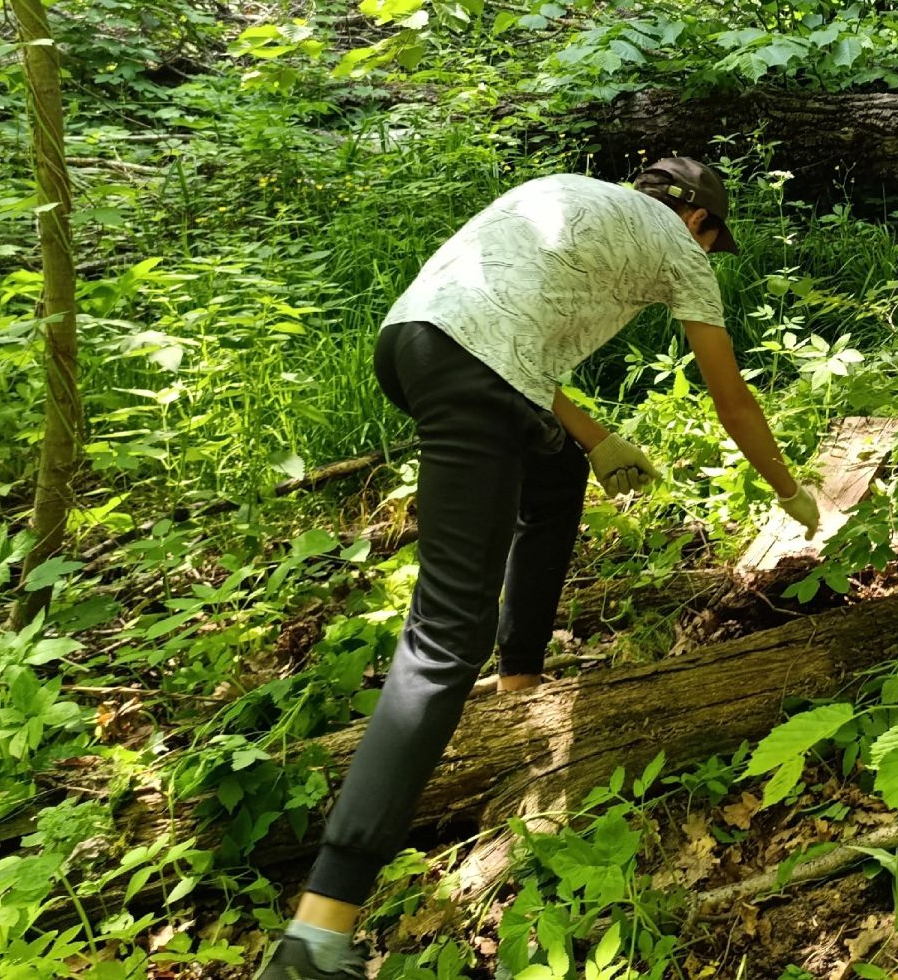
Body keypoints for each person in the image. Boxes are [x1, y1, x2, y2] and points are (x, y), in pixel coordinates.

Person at [257, 158, 817, 980]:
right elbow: (728, 396)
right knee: (446, 636)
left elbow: (500, 337)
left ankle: (520, 684)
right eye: (712, 234)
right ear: (697, 217)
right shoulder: (680, 248)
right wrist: (790, 487)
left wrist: (597, 440)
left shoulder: (563, 193)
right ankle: (317, 931)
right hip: (473, 369)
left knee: (553, 471)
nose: (706, 247)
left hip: (411, 340)